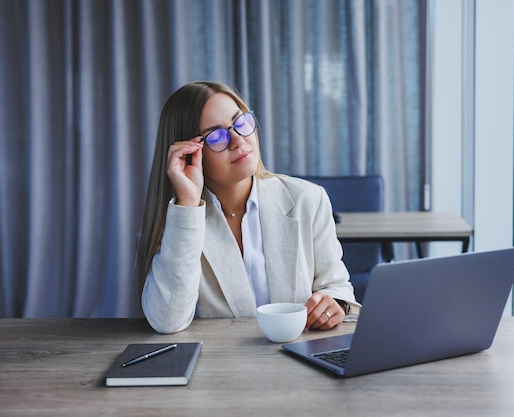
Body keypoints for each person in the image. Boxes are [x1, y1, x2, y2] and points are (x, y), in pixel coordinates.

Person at [136, 80, 359, 334]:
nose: (238, 140)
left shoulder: (308, 199)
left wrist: (334, 304)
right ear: (189, 153)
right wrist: (188, 202)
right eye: (216, 136)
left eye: (240, 122)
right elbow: (167, 320)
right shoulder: (179, 221)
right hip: (220, 366)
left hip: (301, 360)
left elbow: (337, 287)